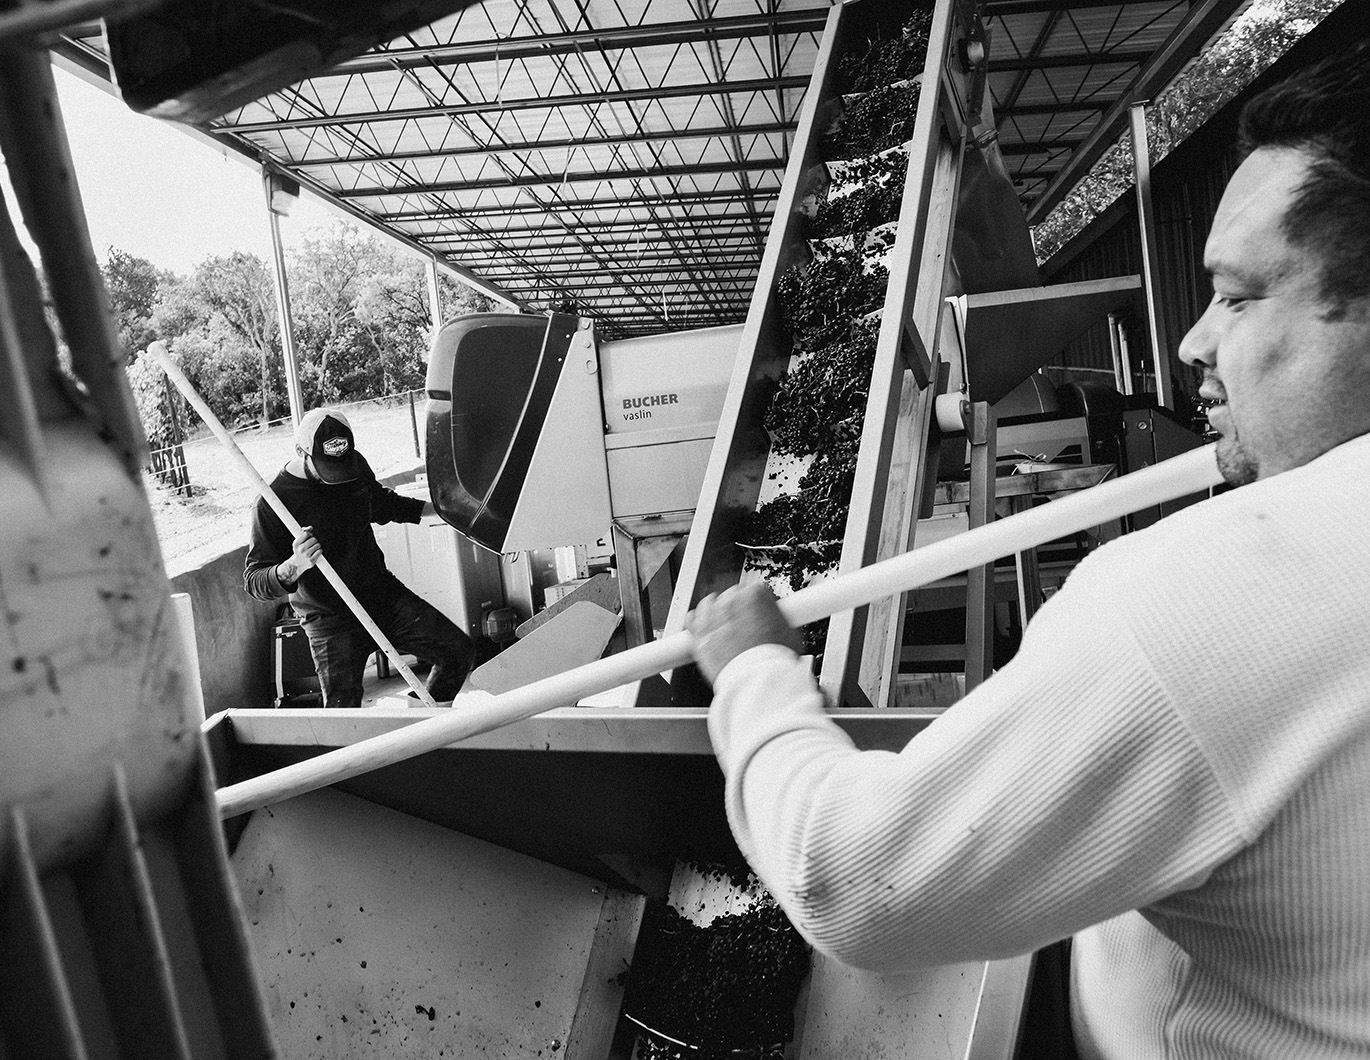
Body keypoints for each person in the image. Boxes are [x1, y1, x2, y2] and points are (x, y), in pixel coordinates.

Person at [687, 39, 1370, 1060]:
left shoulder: (1208, 598)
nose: (1191, 344)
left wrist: (749, 672)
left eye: (1234, 294)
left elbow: (854, 880)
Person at [244, 408, 475, 708]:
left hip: (381, 596)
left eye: (342, 465)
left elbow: (379, 503)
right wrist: (294, 565)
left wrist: (443, 509)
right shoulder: (272, 503)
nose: (337, 475)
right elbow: (254, 581)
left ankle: (420, 723)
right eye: (327, 467)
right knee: (344, 712)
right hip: (329, 617)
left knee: (458, 652)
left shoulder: (352, 467)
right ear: (301, 452)